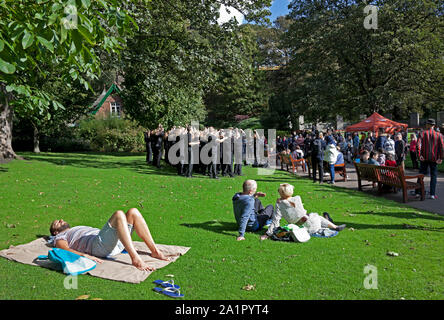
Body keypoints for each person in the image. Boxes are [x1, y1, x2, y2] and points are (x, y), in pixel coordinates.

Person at [49, 208, 171, 271]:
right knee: (118, 214)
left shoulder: (75, 228)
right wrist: (86, 256)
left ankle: (155, 251)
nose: (60, 220)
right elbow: (65, 249)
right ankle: (135, 259)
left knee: (133, 212)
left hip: (115, 243)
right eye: (57, 223)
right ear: (55, 232)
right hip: (98, 247)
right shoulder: (60, 237)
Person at [260, 183, 346, 240]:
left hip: (301, 229)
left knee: (315, 218)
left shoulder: (279, 204)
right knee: (316, 217)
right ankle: (334, 226)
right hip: (312, 224)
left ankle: (328, 220)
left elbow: (276, 220)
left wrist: (268, 234)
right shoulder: (297, 198)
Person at [415, 119, 444, 200]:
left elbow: (418, 145)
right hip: (434, 159)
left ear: (427, 125)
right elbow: (442, 147)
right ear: (434, 125)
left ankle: (417, 192)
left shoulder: (422, 133)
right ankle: (432, 194)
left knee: (421, 175)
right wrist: (441, 157)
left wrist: (419, 155)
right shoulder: (439, 135)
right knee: (433, 176)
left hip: (424, 158)